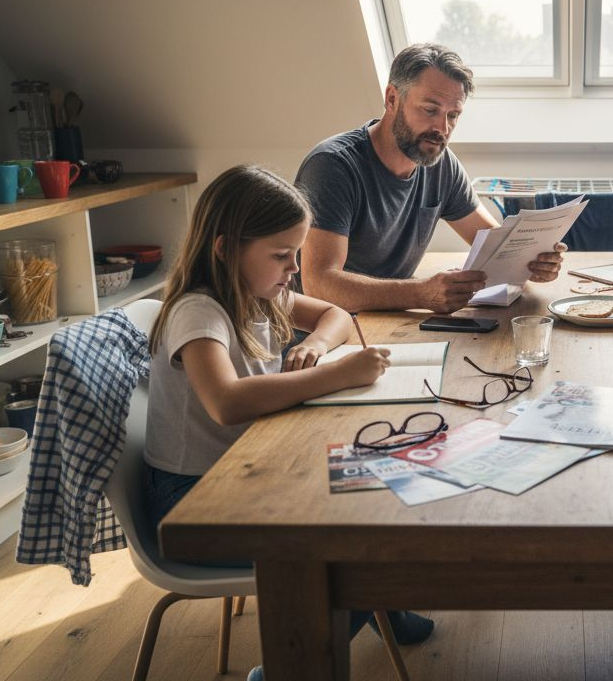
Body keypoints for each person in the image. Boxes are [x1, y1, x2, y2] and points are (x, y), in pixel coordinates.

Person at [140, 166, 432, 681]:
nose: (294, 268)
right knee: (354, 548)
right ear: (226, 248)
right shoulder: (197, 311)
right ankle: (287, 668)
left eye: (295, 253)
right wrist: (335, 375)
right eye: (281, 255)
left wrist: (318, 346)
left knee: (392, 487)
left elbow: (337, 315)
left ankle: (388, 601)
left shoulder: (263, 292)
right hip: (191, 500)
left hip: (254, 468)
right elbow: (227, 402)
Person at [296, 42, 565, 314]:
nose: (442, 128)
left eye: (453, 115)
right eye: (430, 110)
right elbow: (319, 284)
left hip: (386, 321)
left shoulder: (441, 164)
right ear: (392, 99)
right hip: (319, 337)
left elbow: (497, 246)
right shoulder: (333, 167)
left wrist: (533, 262)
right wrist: (421, 293)